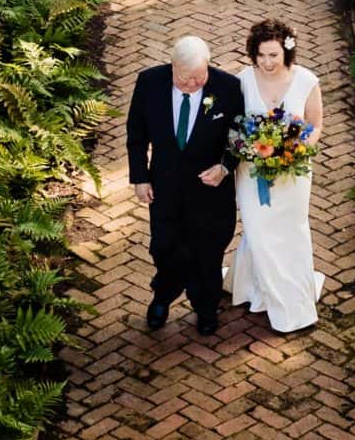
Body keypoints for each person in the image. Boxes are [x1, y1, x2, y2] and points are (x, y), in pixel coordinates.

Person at [125, 35, 243, 334]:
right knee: (165, 248)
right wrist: (139, 177)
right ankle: (162, 296)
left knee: (207, 251)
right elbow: (136, 134)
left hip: (210, 190)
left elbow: (239, 135)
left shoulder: (227, 87)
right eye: (184, 78)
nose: (191, 84)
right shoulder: (149, 82)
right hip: (165, 187)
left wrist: (225, 167)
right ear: (172, 66)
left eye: (198, 78)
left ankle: (205, 308)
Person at [227, 19, 327, 334]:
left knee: (290, 231)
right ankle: (273, 299)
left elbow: (315, 125)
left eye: (273, 55)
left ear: (287, 52)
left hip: (293, 176)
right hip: (252, 171)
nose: (267, 63)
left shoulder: (307, 81)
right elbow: (233, 126)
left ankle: (288, 302)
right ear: (253, 54)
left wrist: (293, 152)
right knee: (258, 230)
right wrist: (248, 149)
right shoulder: (242, 80)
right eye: (261, 55)